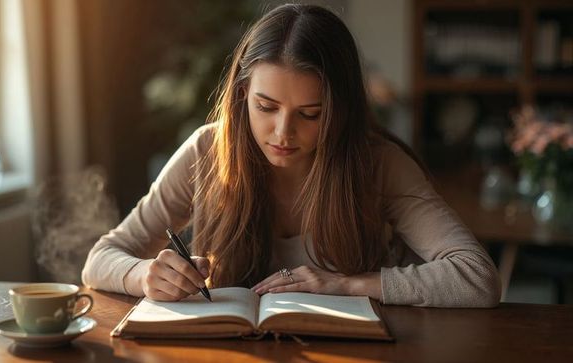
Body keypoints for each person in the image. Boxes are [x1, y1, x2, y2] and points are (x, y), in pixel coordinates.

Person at [81, 4, 501, 307]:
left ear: (340, 110)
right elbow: (100, 260)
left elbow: (477, 278)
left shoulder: (377, 163)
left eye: (310, 114)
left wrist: (346, 285)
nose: (283, 133)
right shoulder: (209, 149)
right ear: (242, 94)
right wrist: (144, 275)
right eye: (266, 107)